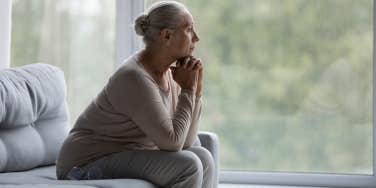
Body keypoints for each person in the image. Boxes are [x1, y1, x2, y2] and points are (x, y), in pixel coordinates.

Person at [56, 1, 216, 188]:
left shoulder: (173, 74)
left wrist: (196, 90)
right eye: (189, 29)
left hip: (124, 153)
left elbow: (186, 142)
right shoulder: (134, 77)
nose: (196, 38)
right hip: (83, 164)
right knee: (189, 165)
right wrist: (188, 91)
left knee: (203, 157)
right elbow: (172, 143)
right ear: (167, 35)